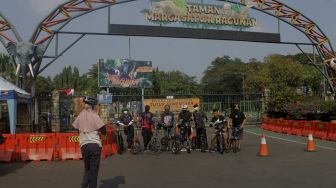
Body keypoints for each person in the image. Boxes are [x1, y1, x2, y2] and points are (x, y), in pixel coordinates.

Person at [72, 96, 107, 188]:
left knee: (87, 169)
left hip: (84, 146)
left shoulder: (80, 115)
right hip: (95, 146)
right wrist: (100, 130)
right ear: (93, 105)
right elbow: (103, 130)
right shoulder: (95, 115)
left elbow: (77, 129)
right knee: (94, 171)